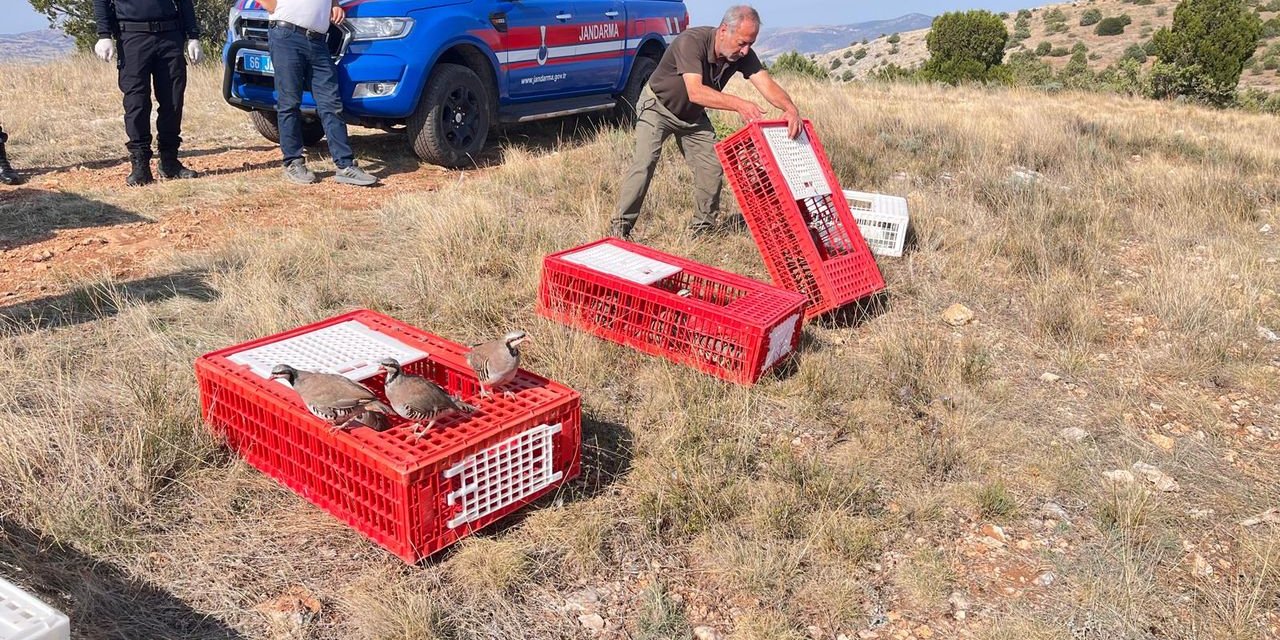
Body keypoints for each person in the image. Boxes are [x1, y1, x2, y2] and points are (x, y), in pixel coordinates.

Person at [610, 5, 802, 240]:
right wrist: (739, 104)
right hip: (658, 108)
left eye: (750, 43)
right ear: (723, 31)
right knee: (645, 162)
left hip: (693, 117)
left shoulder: (742, 54)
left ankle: (702, 230)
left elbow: (766, 84)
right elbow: (696, 92)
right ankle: (620, 228)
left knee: (711, 168)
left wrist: (790, 108)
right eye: (742, 43)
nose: (746, 50)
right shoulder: (691, 42)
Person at [258, 0, 378, 186]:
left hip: (318, 41)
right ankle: (293, 162)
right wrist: (275, 7)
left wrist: (334, 5)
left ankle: (345, 165)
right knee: (289, 102)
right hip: (287, 35)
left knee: (331, 103)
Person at [93, 0, 202, 186]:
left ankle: (169, 162)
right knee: (137, 103)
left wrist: (193, 36)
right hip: (132, 37)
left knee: (173, 101)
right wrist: (104, 35)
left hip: (170, 36)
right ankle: (140, 165)